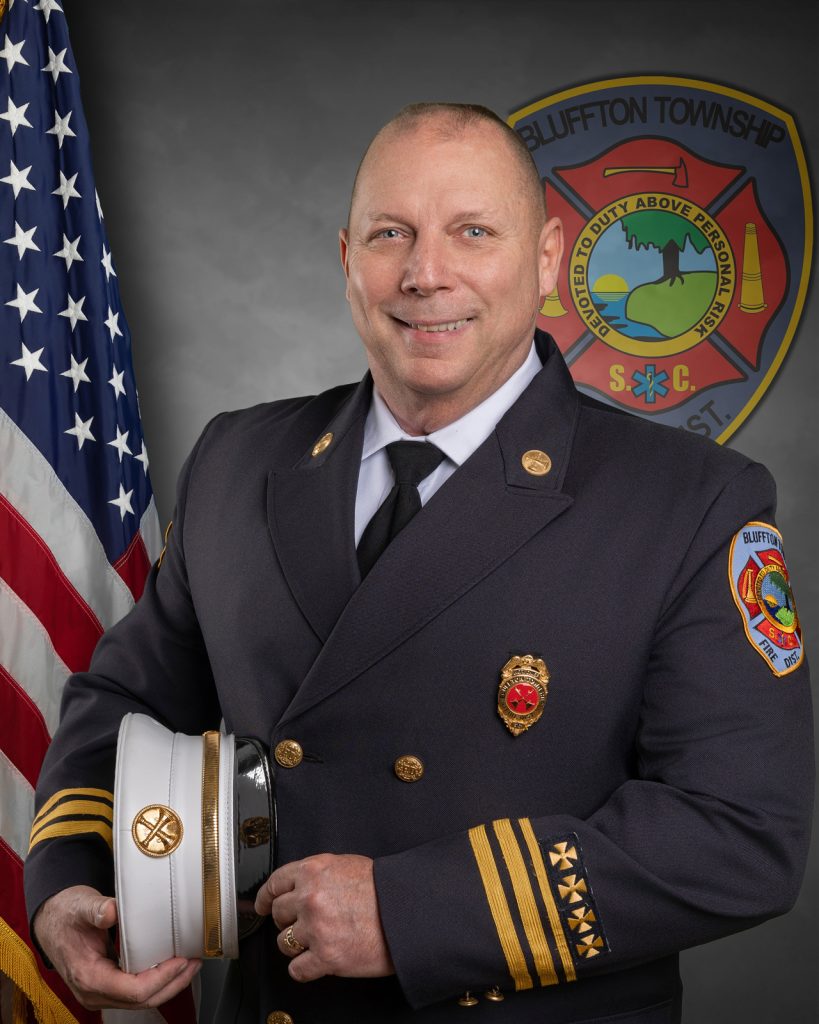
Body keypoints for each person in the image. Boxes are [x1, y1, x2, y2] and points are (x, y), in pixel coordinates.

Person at [26, 103, 813, 1024]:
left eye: (472, 232)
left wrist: (412, 914)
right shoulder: (240, 460)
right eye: (389, 233)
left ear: (548, 259)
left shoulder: (687, 500)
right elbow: (128, 699)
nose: (424, 273)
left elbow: (740, 835)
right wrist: (70, 878)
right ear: (346, 258)